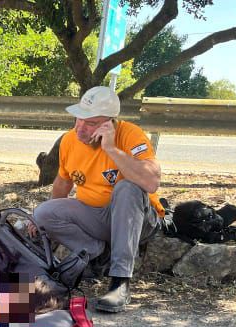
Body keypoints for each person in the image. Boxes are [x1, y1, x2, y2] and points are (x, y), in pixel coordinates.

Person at [33, 86, 163, 313]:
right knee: (42, 213)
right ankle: (98, 255)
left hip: (137, 220)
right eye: (79, 118)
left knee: (127, 188)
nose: (81, 128)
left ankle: (120, 282)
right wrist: (42, 226)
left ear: (109, 123)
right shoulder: (69, 140)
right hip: (98, 218)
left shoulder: (130, 134)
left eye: (91, 123)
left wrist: (111, 149)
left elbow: (151, 182)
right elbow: (63, 183)